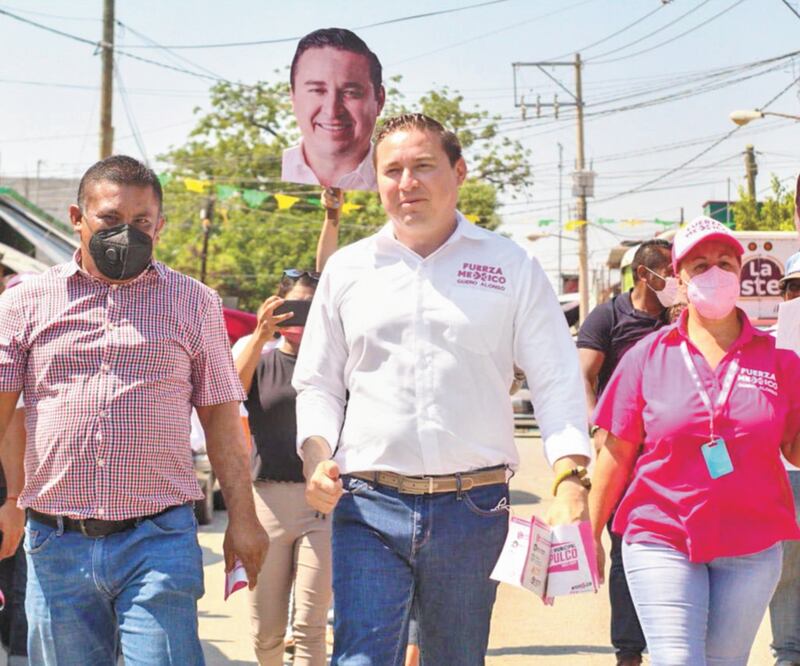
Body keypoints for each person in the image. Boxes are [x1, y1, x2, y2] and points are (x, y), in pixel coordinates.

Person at [293, 113, 591, 665]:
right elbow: (317, 383)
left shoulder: (511, 266)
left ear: (459, 172)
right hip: (368, 505)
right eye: (392, 170)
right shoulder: (347, 270)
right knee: (359, 658)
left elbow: (555, 380)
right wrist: (316, 454)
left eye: (423, 166)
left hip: (473, 511)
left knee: (456, 658)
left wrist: (571, 477)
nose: (407, 182)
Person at [0, 155, 269, 665]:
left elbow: (220, 417)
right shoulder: (25, 303)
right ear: (78, 219)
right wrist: (11, 498)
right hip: (55, 543)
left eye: (141, 223)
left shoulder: (194, 302)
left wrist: (244, 517)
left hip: (159, 539)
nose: (127, 234)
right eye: (110, 220)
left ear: (160, 226)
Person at [589, 216, 800, 665]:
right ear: (679, 279)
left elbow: (794, 450)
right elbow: (615, 454)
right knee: (679, 659)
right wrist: (587, 533)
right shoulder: (645, 356)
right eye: (700, 265)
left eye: (725, 263)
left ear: (741, 274)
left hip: (751, 546)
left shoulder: (780, 361)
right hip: (661, 534)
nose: (714, 273)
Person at [577, 238, 675, 666]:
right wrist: (598, 427)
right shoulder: (609, 317)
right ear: (643, 275)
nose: (675, 280)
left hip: (673, 452)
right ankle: (629, 650)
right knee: (624, 546)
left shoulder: (681, 318)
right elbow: (581, 376)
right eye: (668, 272)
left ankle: (671, 640)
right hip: (623, 452)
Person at [236, 269, 331, 666]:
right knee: (268, 631)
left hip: (323, 505)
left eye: (310, 306)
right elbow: (228, 396)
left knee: (311, 628)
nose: (300, 316)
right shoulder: (259, 356)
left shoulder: (333, 364)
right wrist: (260, 335)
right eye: (292, 306)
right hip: (268, 503)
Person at [282, 28, 385, 190]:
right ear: (293, 97)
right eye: (317, 90)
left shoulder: (401, 186)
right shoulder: (257, 176)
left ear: (379, 100)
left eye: (350, 92)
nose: (332, 111)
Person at [770, 251, 800, 666]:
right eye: (794, 286)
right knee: (787, 570)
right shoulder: (770, 342)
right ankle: (788, 652)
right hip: (786, 470)